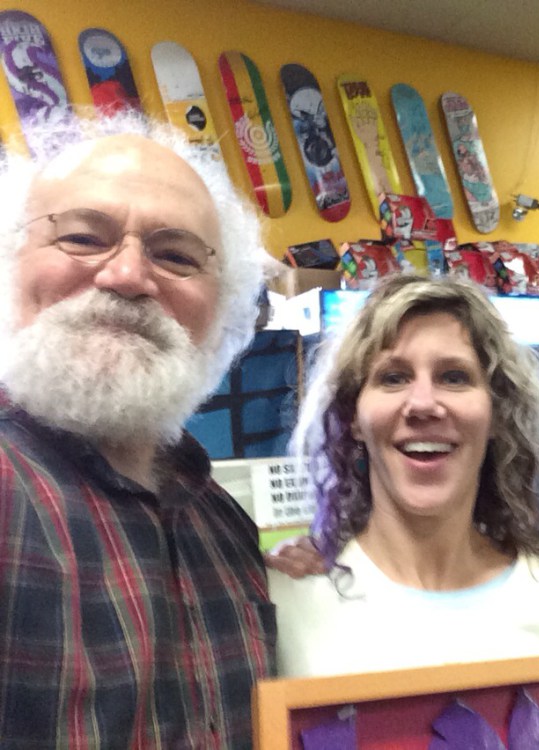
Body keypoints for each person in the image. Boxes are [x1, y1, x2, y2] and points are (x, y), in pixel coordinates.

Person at [0, 114, 275, 749]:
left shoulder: (224, 525)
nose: (126, 275)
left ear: (222, 309)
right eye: (81, 237)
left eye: (175, 255)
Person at [267, 274, 539, 677]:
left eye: (454, 377)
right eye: (393, 377)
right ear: (353, 417)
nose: (423, 404)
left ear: (497, 413)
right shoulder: (285, 602)